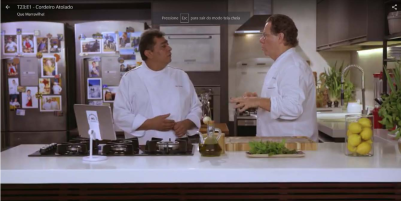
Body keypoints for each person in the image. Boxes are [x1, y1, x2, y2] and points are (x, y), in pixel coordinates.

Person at [230, 14, 318, 141]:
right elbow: (281, 100)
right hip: (281, 147)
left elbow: (292, 107)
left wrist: (258, 101)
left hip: (292, 149)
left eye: (265, 35)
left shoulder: (293, 66)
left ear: (280, 37)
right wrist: (257, 101)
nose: (261, 40)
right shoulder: (283, 63)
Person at [113, 29, 202, 144]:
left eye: (167, 45)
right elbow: (120, 115)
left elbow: (196, 108)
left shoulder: (181, 76)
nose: (169, 49)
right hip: (144, 149)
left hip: (180, 147)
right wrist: (151, 123)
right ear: (149, 53)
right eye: (163, 46)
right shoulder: (130, 79)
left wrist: (186, 123)